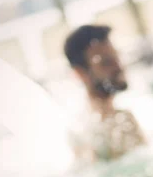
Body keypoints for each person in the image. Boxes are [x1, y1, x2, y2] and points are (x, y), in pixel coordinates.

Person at [63, 24, 146, 161]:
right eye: (106, 62)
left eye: (117, 57)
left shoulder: (80, 127)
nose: (118, 67)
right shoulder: (115, 124)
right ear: (80, 74)